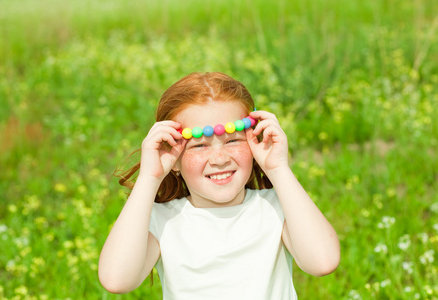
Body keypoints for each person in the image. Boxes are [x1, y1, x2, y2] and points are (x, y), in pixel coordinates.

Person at [98, 72, 340, 299]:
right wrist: (150, 177)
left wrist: (278, 169)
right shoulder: (163, 221)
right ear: (174, 157)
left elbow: (323, 262)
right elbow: (116, 280)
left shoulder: (276, 207)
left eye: (233, 140)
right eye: (200, 146)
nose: (220, 158)